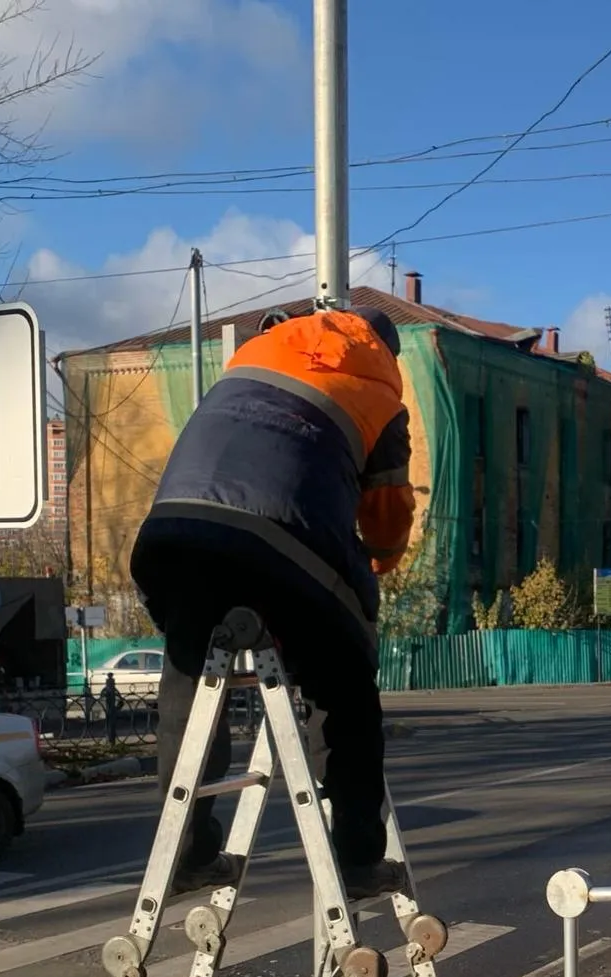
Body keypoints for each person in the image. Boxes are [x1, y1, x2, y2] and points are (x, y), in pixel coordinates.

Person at [128, 305, 416, 900]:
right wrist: (377, 564)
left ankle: (182, 853)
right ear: (388, 351)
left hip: (176, 527)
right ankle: (359, 857)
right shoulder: (381, 389)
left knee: (188, 666)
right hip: (286, 535)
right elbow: (387, 516)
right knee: (346, 688)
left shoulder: (252, 356)